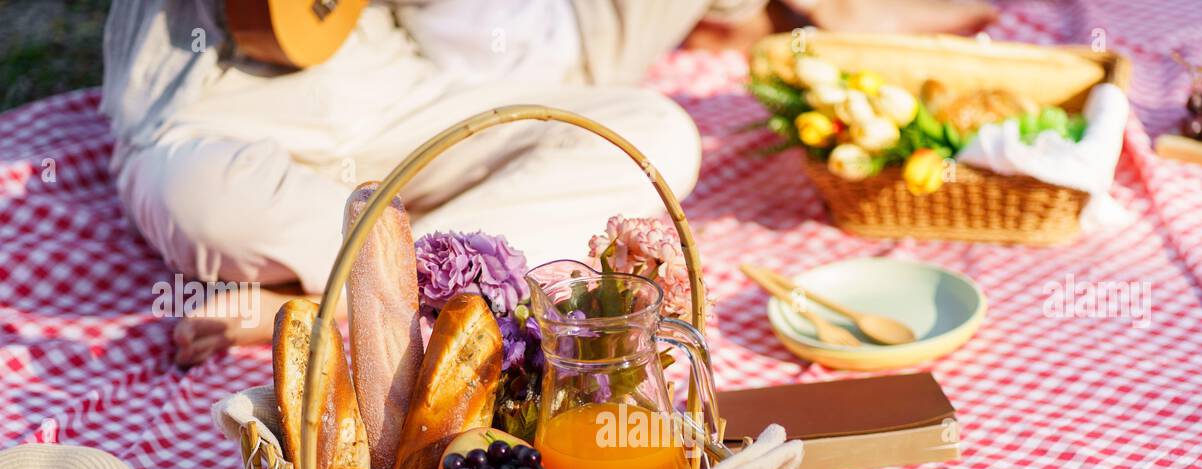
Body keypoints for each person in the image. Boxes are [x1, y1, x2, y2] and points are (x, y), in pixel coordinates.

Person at [102, 0, 995, 364]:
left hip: (387, 89)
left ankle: (336, 295)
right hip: (209, 114)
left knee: (654, 133)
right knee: (203, 203)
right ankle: (406, 261)